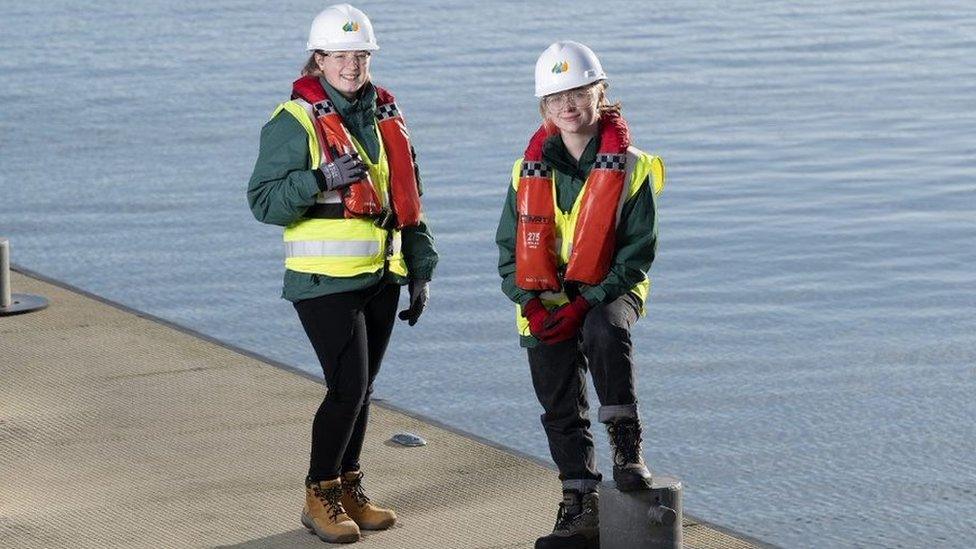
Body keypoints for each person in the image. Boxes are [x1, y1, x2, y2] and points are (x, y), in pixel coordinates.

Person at [247, 4, 437, 544]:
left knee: (364, 387)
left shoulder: (386, 115)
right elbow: (262, 203)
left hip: (379, 276)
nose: (352, 65)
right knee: (346, 386)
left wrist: (421, 268)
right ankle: (318, 493)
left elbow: (410, 200)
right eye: (340, 56)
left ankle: (350, 487)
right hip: (323, 282)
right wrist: (318, 178)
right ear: (319, 59)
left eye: (361, 55)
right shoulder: (294, 122)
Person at [495, 41, 666, 549]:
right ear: (543, 108)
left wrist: (585, 302)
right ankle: (579, 506)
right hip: (543, 304)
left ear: (600, 93)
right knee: (557, 401)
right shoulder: (525, 171)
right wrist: (525, 300)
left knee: (603, 329)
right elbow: (509, 250)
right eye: (555, 97)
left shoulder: (632, 167)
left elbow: (637, 253)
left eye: (578, 92)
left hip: (610, 293)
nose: (567, 106)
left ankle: (626, 448)